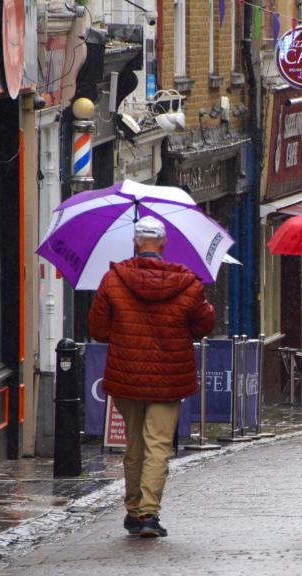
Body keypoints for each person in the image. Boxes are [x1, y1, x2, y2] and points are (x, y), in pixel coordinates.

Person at [88, 216, 215, 538]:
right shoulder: (187, 284)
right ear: (163, 243)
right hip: (169, 380)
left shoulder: (112, 280)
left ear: (135, 242)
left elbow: (97, 331)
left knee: (134, 445)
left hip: (127, 377)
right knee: (157, 446)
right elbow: (203, 326)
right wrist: (203, 306)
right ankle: (148, 513)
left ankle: (133, 511)